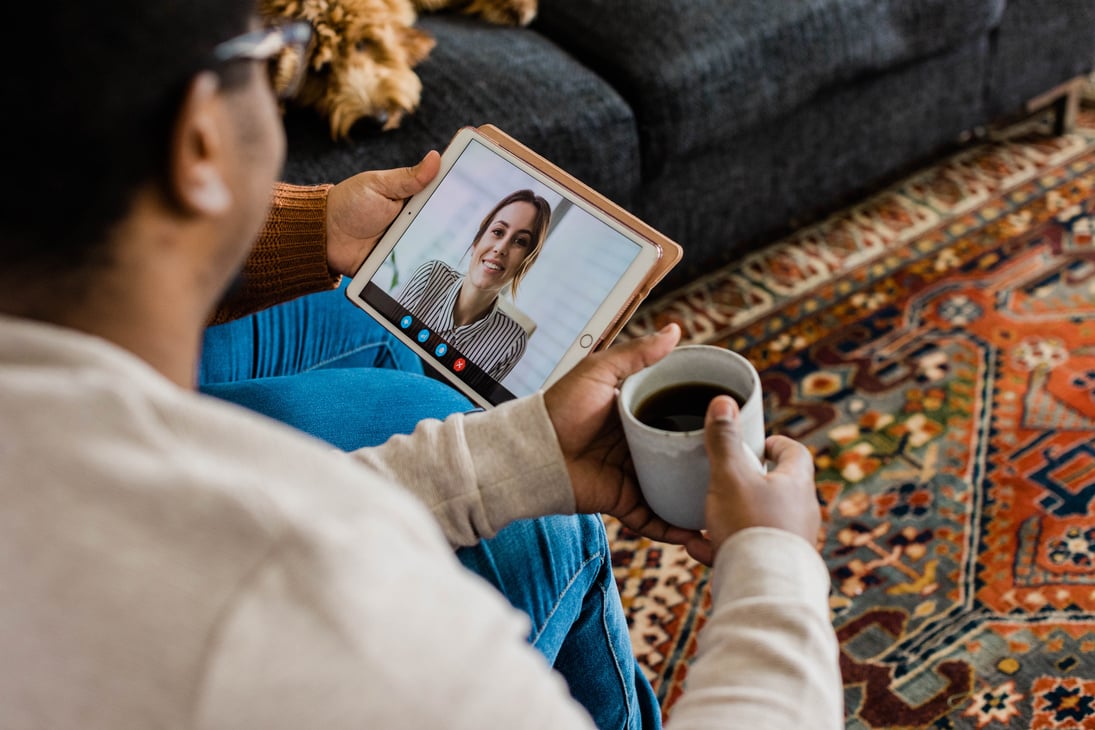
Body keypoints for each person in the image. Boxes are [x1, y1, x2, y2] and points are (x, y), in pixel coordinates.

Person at [0, 3, 844, 729]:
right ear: (200, 141)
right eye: (270, 54)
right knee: (546, 530)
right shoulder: (317, 602)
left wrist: (519, 455)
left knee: (357, 315)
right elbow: (286, 555)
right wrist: (773, 563)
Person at [395, 189, 552, 380]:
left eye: (520, 241)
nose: (501, 248)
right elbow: (383, 343)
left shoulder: (511, 342)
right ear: (477, 241)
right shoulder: (430, 276)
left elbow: (469, 408)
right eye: (497, 232)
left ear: (525, 264)